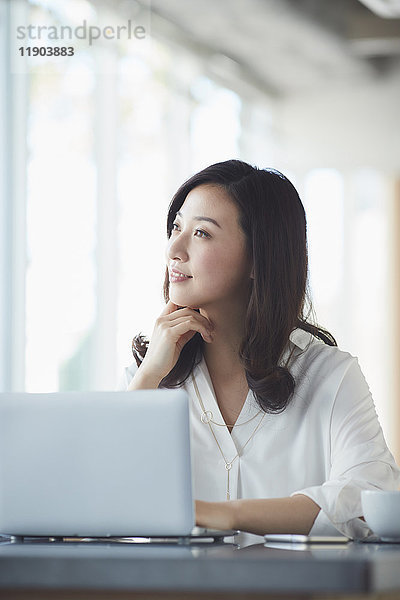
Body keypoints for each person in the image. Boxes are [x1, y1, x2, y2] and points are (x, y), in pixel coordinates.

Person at [117, 159, 400, 547]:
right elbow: (104, 498)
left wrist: (221, 513)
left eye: (201, 233)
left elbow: (368, 498)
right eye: (176, 227)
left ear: (257, 258)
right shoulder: (147, 374)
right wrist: (147, 378)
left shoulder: (331, 376)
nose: (174, 249)